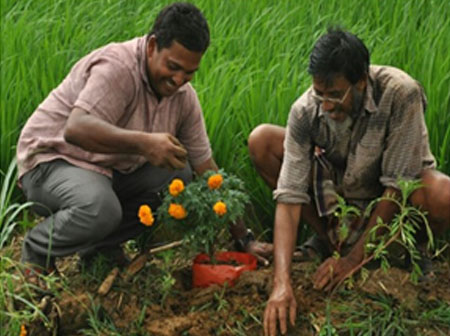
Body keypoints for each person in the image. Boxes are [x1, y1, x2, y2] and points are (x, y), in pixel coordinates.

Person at [17, 2, 271, 283]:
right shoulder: (119, 67)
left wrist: (243, 238)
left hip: (104, 171)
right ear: (152, 46)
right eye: (173, 67)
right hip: (52, 163)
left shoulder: (184, 98)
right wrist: (145, 144)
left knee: (178, 174)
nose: (178, 80)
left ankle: (99, 249)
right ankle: (37, 249)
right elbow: (76, 129)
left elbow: (207, 169)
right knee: (101, 208)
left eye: (189, 72)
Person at [247, 29, 450, 336]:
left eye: (335, 95)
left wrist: (353, 260)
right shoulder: (305, 111)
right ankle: (329, 241)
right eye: (320, 94)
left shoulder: (399, 93)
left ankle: (411, 251)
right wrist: (281, 283)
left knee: (442, 193)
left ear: (360, 83)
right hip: (341, 199)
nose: (326, 105)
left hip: (394, 200)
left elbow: (397, 187)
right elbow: (288, 200)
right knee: (262, 140)